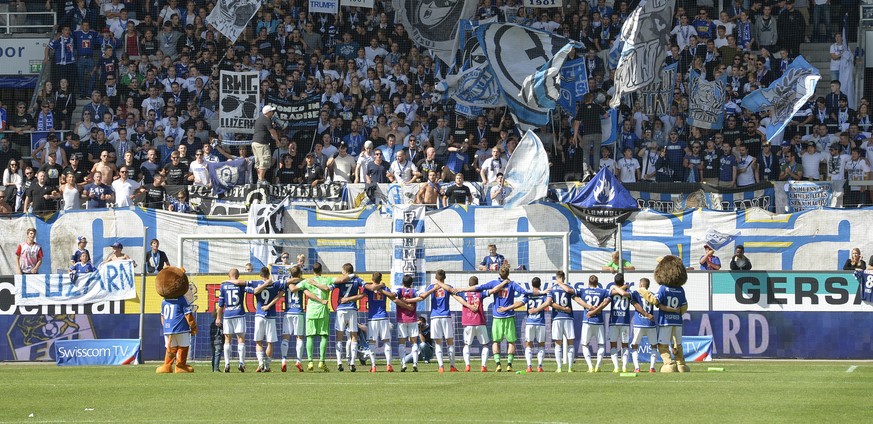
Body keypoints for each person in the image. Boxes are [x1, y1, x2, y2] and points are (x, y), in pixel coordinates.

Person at [457, 264, 524, 372]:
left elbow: (479, 288)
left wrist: (460, 289)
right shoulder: (510, 285)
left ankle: (494, 364)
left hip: (487, 319)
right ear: (508, 274)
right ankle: (505, 365)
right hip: (496, 318)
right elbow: (524, 292)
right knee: (507, 342)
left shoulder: (467, 293)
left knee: (491, 342)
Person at [409, 269, 458, 373]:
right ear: (445, 277)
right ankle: (452, 366)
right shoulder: (447, 287)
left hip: (435, 317)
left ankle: (441, 367)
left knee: (438, 343)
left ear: (435, 278)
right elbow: (455, 295)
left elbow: (422, 296)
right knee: (450, 342)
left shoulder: (431, 287)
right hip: (446, 316)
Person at [296, 262, 338, 372]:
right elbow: (340, 280)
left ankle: (310, 362)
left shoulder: (306, 281)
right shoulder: (327, 280)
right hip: (323, 310)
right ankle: (321, 362)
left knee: (310, 336)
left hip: (311, 311)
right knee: (323, 336)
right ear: (321, 270)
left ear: (312, 271)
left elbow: (293, 288)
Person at [329, 264, 364, 372]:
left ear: (345, 271)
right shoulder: (358, 279)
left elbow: (331, 287)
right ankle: (352, 362)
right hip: (352, 310)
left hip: (341, 310)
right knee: (354, 336)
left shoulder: (341, 281)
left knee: (339, 337)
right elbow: (364, 293)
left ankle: (339, 361)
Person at [362, 272, 399, 372]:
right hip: (383, 317)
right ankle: (389, 365)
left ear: (372, 278)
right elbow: (392, 296)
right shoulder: (384, 288)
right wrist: (382, 286)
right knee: (387, 341)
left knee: (372, 342)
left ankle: (373, 366)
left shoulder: (369, 288)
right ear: (380, 278)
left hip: (372, 318)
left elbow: (363, 295)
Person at [452, 276, 490, 372]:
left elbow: (452, 293)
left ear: (469, 284)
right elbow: (491, 291)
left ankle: (467, 365)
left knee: (467, 345)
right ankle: (483, 366)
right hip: (480, 322)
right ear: (477, 285)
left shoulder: (463, 294)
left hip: (468, 322)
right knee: (485, 345)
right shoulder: (481, 293)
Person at [247, 267, 282, 372]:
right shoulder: (275, 284)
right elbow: (281, 293)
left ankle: (261, 363)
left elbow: (254, 291)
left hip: (259, 315)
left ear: (260, 275)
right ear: (269, 274)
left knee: (259, 342)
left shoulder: (256, 283)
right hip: (270, 316)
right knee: (270, 342)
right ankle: (266, 366)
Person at [216, 268, 249, 372]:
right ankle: (241, 363)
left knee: (227, 339)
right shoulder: (241, 285)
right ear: (238, 275)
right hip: (239, 314)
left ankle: (227, 363)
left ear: (228, 275)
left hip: (228, 315)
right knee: (241, 339)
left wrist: (218, 318)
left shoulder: (223, 286)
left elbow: (220, 305)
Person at [577, 275, 610, 373]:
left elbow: (574, 296)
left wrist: (587, 306)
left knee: (585, 345)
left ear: (588, 282)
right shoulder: (602, 291)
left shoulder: (583, 291)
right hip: (598, 321)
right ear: (597, 283)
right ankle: (598, 366)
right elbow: (608, 299)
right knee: (601, 345)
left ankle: (590, 366)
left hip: (587, 320)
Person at [516, 277, 548, 373]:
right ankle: (539, 366)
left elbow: (520, 303)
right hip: (540, 322)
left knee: (528, 345)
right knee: (541, 345)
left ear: (532, 285)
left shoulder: (528, 295)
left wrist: (508, 308)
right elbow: (548, 303)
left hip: (530, 322)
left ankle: (529, 366)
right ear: (540, 284)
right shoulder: (543, 295)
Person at [394, 274, 424, 372]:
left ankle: (403, 364)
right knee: (414, 342)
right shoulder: (414, 291)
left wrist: (405, 301)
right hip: (412, 319)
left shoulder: (399, 290)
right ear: (411, 283)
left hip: (401, 319)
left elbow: (393, 297)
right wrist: (410, 302)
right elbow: (421, 297)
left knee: (401, 343)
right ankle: (415, 363)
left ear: (403, 282)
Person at [630, 277, 658, 373]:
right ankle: (652, 368)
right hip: (650, 324)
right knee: (654, 346)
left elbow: (636, 305)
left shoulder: (635, 293)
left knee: (634, 346)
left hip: (639, 323)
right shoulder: (652, 295)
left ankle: (637, 368)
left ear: (641, 285)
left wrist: (645, 314)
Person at [606, 273, 633, 373]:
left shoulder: (612, 290)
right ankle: (624, 367)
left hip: (614, 321)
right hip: (625, 321)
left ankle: (616, 367)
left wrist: (615, 286)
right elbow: (624, 293)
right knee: (625, 345)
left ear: (615, 282)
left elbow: (614, 292)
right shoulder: (629, 291)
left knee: (613, 345)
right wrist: (626, 286)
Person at [252, 105, 280, 185]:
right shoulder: (266, 119)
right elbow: (273, 132)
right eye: (271, 111)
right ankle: (261, 180)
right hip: (261, 144)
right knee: (265, 160)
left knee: (258, 163)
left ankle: (260, 179)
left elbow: (264, 130)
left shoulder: (259, 119)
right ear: (268, 112)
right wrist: (277, 140)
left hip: (255, 143)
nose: (272, 113)